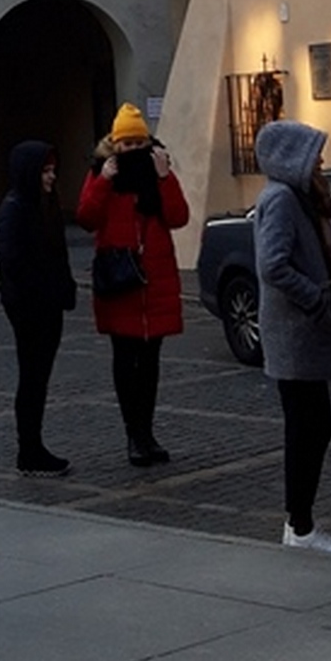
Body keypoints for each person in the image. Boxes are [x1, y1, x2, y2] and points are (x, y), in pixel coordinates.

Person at [254, 117, 331, 555]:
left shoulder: (299, 198)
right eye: (315, 156)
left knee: (314, 426)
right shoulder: (281, 199)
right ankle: (300, 525)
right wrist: (314, 296)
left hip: (303, 332)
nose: (322, 163)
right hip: (293, 333)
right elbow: (272, 264)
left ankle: (300, 522)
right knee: (308, 427)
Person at [77, 102, 189, 467]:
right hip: (120, 281)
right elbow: (87, 218)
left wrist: (165, 179)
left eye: (139, 144)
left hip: (154, 280)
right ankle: (133, 435)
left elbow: (178, 217)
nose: (134, 150)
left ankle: (147, 433)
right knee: (126, 360)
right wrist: (104, 183)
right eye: (127, 145)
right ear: (115, 144)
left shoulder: (158, 173)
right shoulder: (101, 173)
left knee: (151, 363)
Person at [0, 140, 77, 476]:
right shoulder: (15, 208)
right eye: (45, 171)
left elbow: (58, 253)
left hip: (48, 303)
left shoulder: (45, 204)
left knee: (38, 378)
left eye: (53, 170)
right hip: (30, 306)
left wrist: (64, 288)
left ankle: (33, 447)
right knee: (32, 378)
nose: (51, 176)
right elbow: (14, 262)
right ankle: (29, 449)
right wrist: (44, 289)